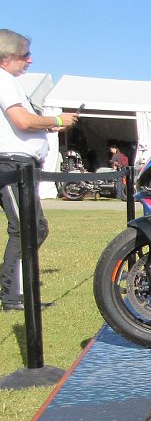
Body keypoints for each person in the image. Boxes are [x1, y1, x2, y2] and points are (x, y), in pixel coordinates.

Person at [0, 29, 78, 310]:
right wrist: (55, 118)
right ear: (7, 57)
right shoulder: (4, 80)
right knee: (25, 229)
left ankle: (14, 286)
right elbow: (21, 121)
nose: (30, 60)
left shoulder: (9, 81)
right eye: (25, 55)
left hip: (21, 165)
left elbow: (24, 121)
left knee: (36, 228)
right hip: (11, 165)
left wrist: (48, 124)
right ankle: (13, 296)